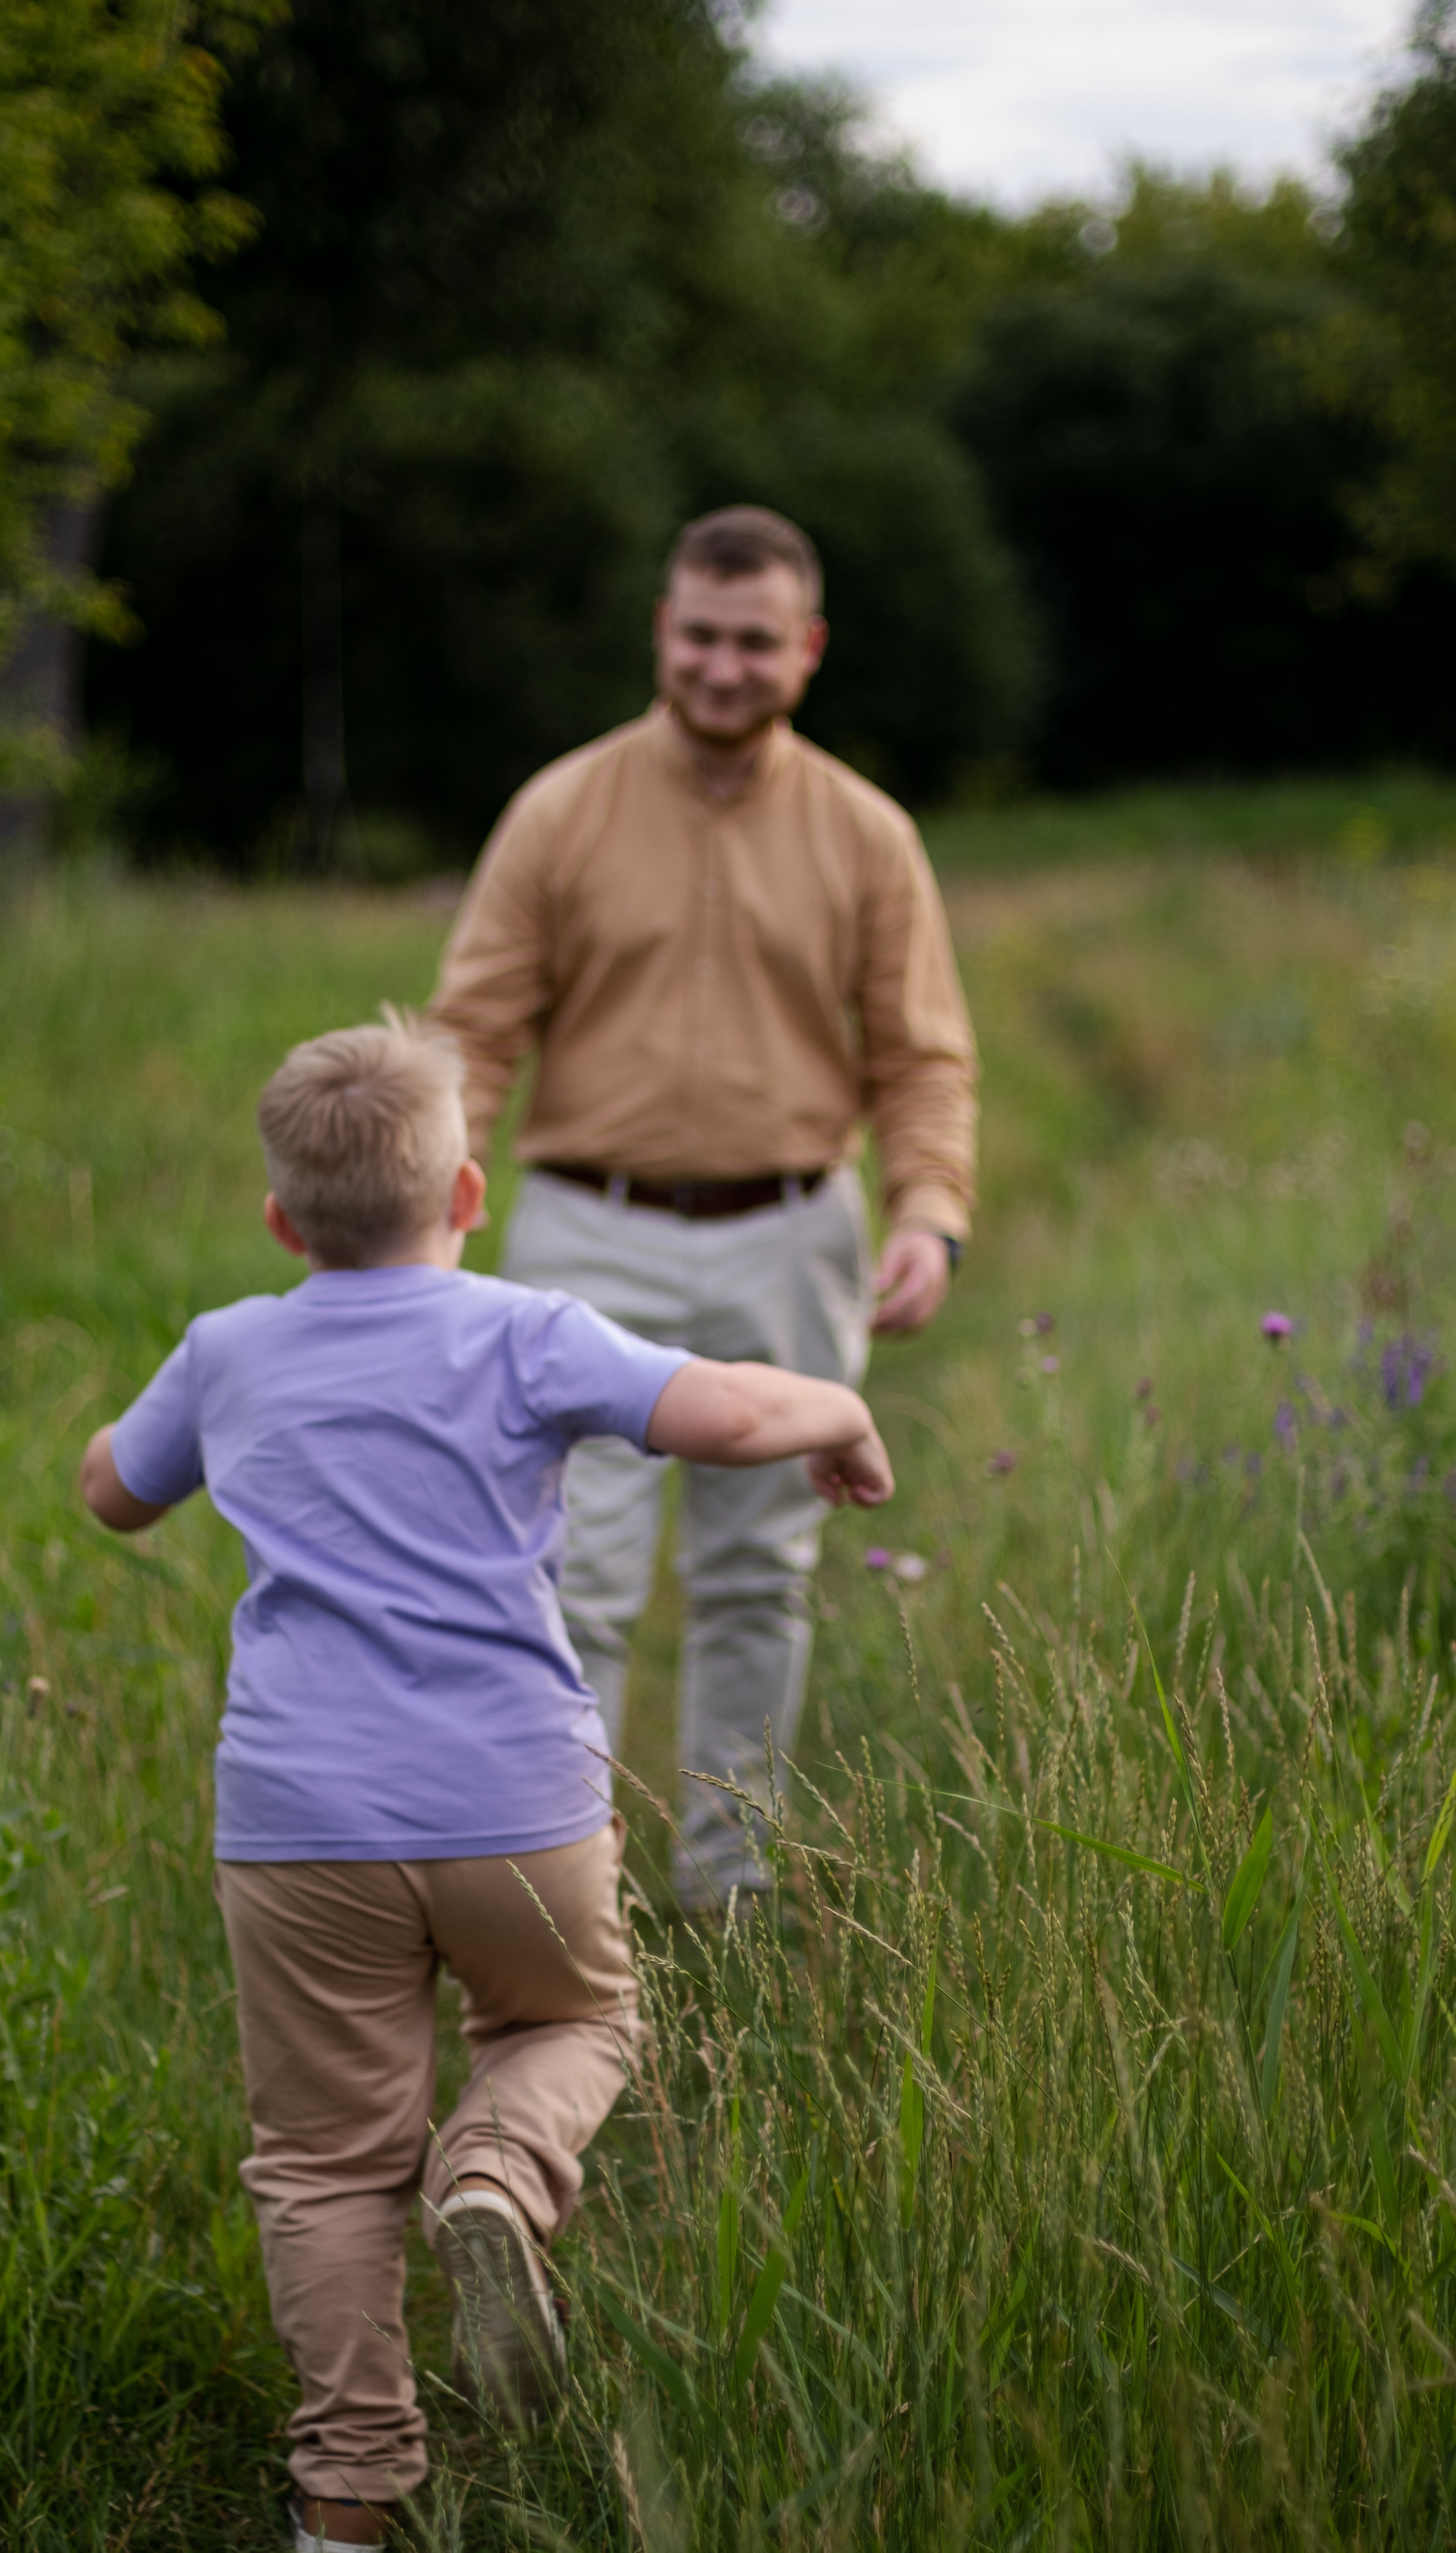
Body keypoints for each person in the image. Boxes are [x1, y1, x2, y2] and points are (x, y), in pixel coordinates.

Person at [77, 1013, 893, 2550]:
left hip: (298, 1823)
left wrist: (124, 1438)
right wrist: (839, 1413)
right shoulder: (527, 1330)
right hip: (517, 1807)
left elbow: (115, 1491)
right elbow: (719, 1415)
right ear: (465, 1194)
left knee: (321, 2159)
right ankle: (503, 2178)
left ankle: (345, 2500)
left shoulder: (229, 1347)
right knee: (578, 2017)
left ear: (278, 1222)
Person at [429, 503, 977, 1911]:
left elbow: (919, 1054)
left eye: (752, 642)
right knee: (574, 1572)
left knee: (757, 1576)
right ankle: (570, 1886)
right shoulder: (561, 809)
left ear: (804, 649)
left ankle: (726, 1891)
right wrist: (431, 1193)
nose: (720, 667)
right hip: (583, 1228)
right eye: (696, 635)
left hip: (790, 1236)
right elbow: (473, 1028)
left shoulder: (866, 834)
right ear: (660, 631)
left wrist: (926, 1210)